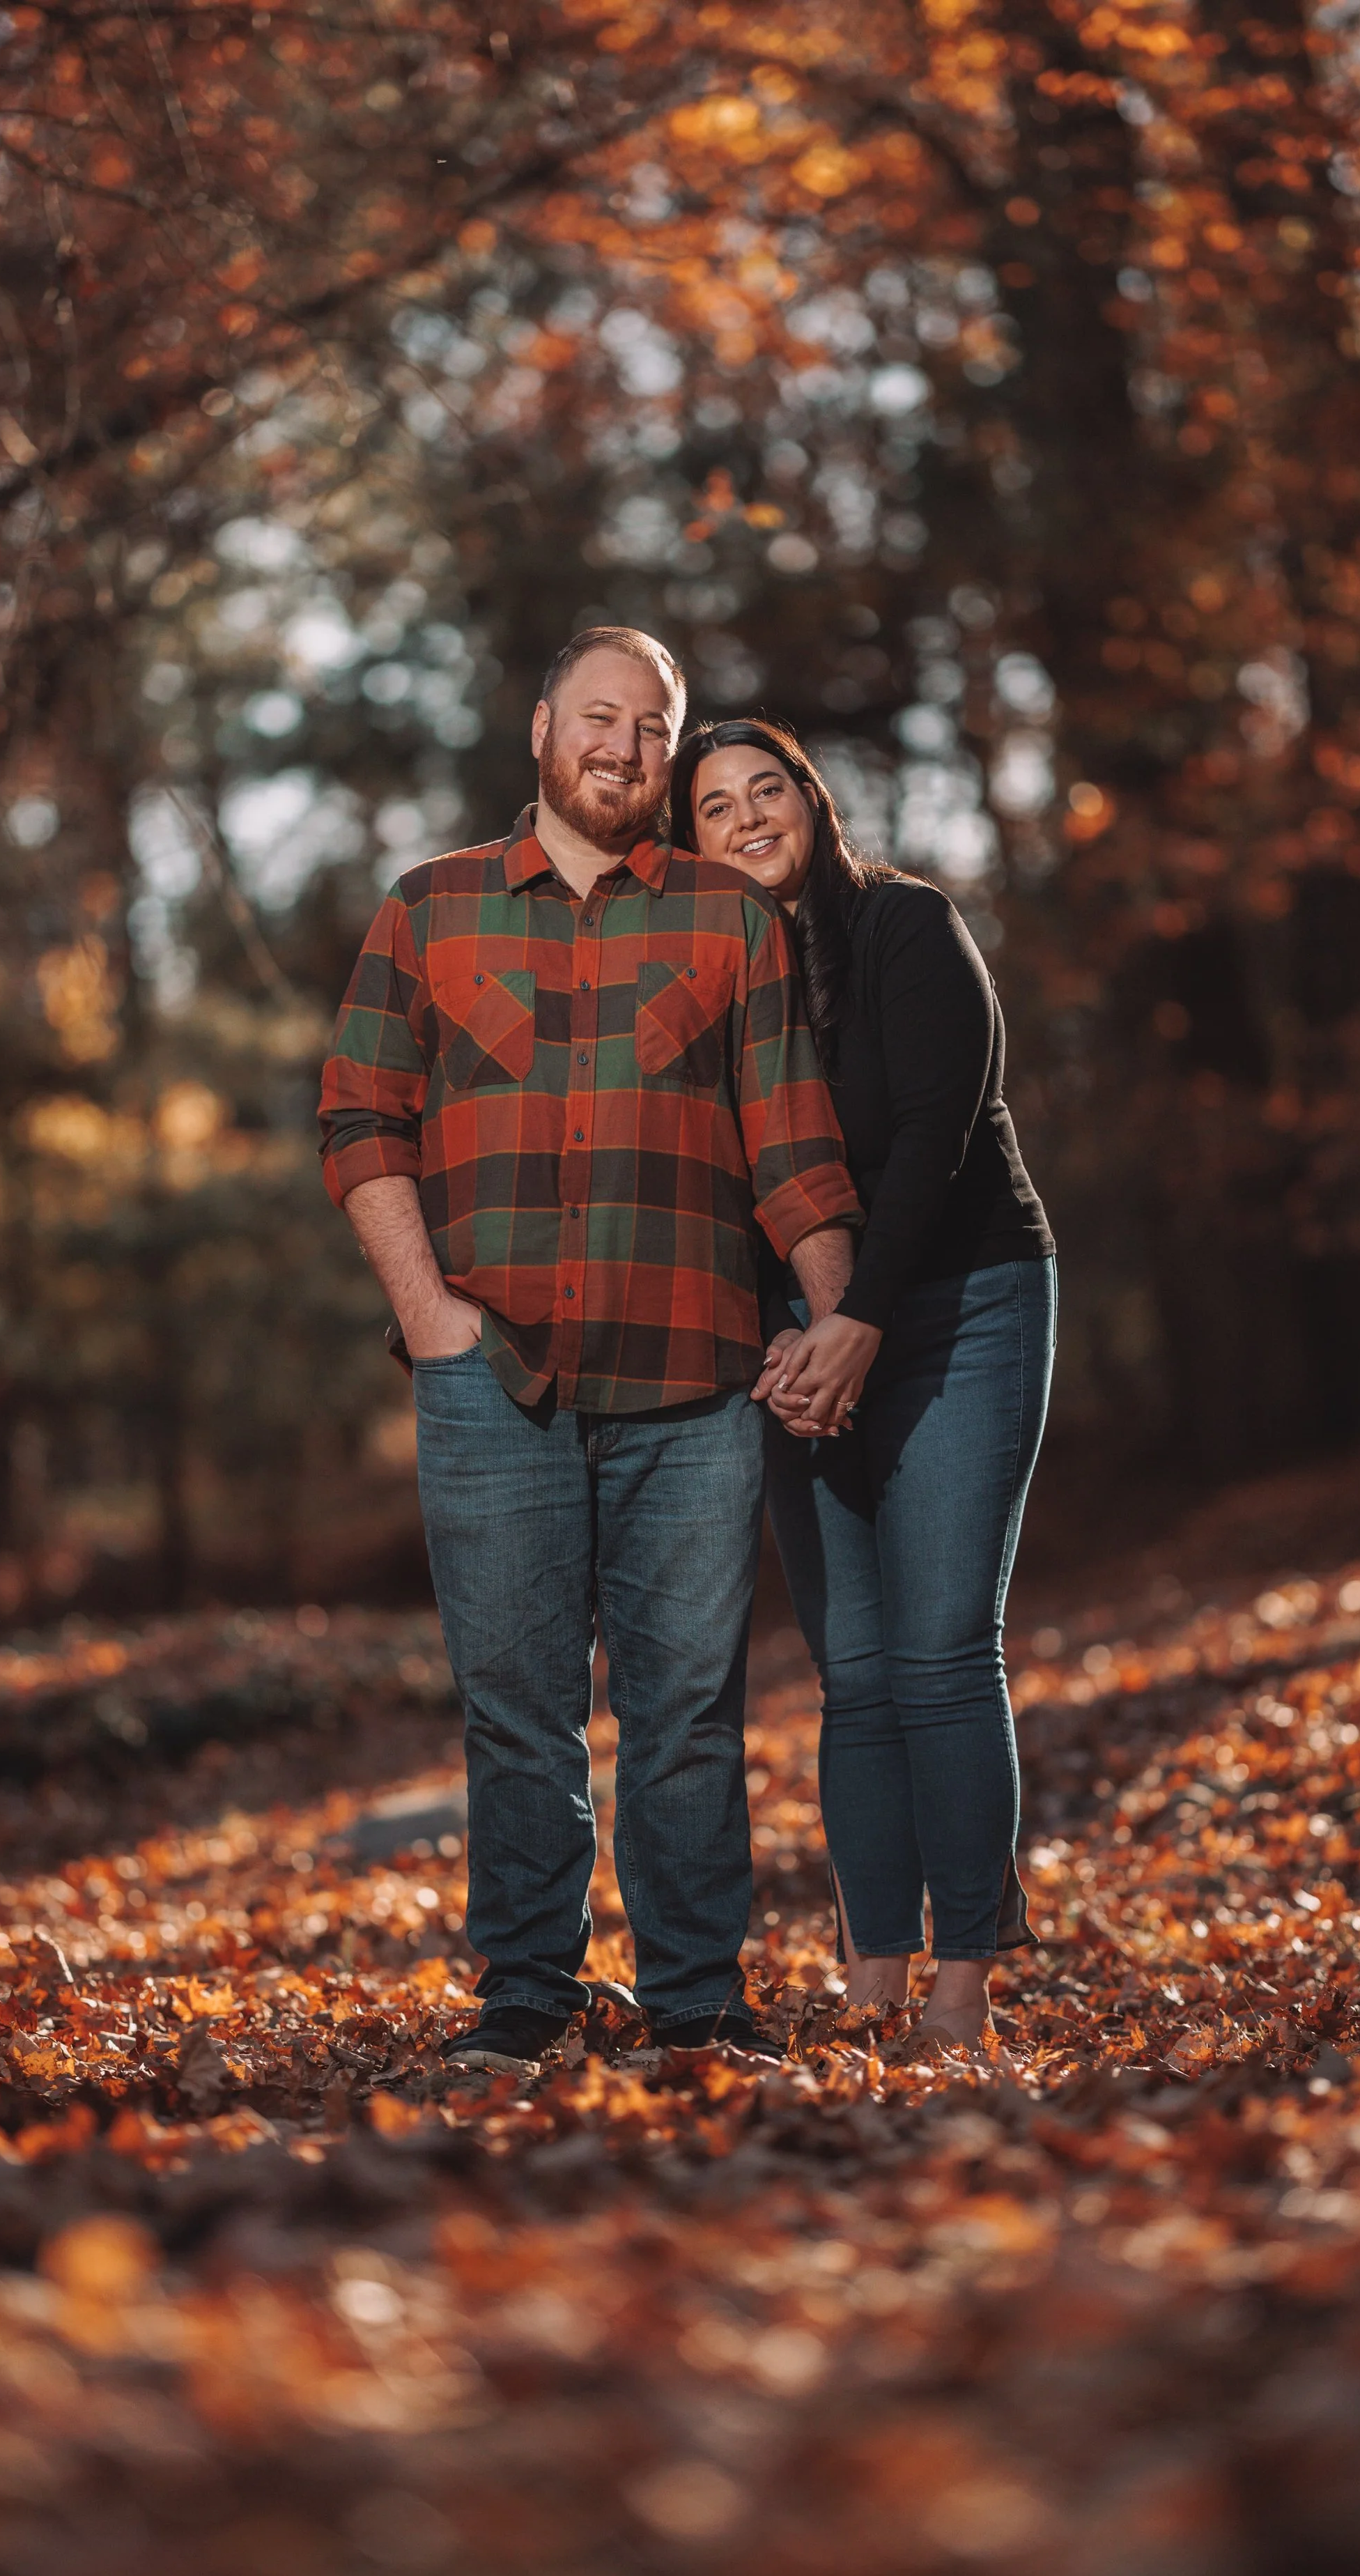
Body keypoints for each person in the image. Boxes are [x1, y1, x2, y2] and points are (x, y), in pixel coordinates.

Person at [320, 633, 862, 2072]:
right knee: (518, 1710)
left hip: (694, 1384)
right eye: (601, 718)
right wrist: (431, 1316)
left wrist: (835, 1311)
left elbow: (792, 1146)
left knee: (685, 1710)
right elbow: (359, 1116)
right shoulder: (427, 908)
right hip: (490, 1377)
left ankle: (695, 2000)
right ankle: (525, 1996)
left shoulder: (723, 920)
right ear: (544, 726)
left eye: (653, 728)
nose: (625, 748)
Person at [670, 718, 1056, 2056]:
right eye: (715, 808)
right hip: (802, 1337)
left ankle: (966, 1976)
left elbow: (940, 1140)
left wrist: (863, 1318)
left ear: (811, 802)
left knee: (945, 1650)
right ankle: (874, 1973)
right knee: (859, 1670)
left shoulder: (906, 925)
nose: (748, 817)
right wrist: (778, 1337)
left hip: (962, 1303)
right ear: (691, 844)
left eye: (766, 789)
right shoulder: (713, 979)